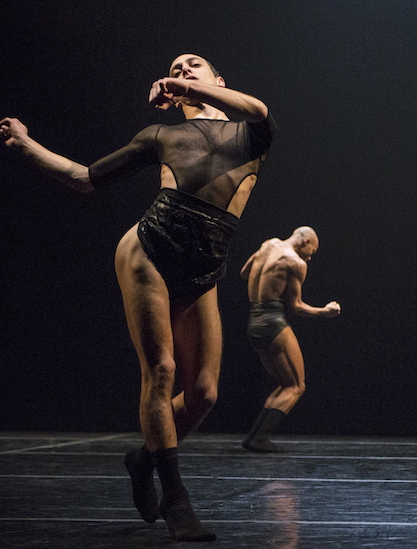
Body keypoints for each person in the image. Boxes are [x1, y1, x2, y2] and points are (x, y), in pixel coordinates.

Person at [2, 54, 277, 541]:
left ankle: (143, 458)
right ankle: (176, 500)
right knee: (162, 370)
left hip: (204, 264)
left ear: (219, 80)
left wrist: (178, 83)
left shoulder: (250, 132)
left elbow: (256, 108)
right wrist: (25, 144)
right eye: (177, 66)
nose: (185, 68)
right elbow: (84, 177)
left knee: (204, 394)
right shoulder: (160, 135)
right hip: (149, 248)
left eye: (195, 64)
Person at [240, 227, 341, 452]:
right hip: (273, 323)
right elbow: (295, 306)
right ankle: (259, 439)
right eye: (311, 251)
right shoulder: (296, 263)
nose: (310, 256)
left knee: (285, 384)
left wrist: (266, 280)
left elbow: (245, 273)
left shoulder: (268, 244)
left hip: (253, 323)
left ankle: (254, 438)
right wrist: (325, 312)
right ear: (305, 241)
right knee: (297, 386)